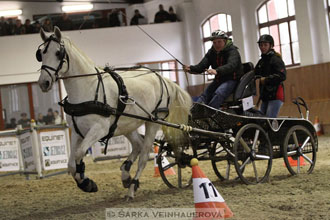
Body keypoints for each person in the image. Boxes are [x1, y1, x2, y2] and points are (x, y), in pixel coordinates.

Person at [183, 30, 243, 109]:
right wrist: (191, 68)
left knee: (219, 93)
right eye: (214, 42)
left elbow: (231, 65)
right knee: (204, 95)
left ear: (225, 41)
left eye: (219, 42)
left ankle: (209, 115)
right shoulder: (211, 52)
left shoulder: (233, 51)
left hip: (232, 80)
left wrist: (217, 71)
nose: (216, 45)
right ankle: (195, 113)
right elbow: (202, 66)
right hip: (218, 80)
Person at [255, 34, 286, 118]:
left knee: (269, 119)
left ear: (271, 46)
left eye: (265, 45)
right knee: (261, 120)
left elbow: (282, 76)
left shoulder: (276, 59)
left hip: (275, 95)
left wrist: (266, 79)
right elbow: (254, 73)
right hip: (265, 96)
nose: (262, 47)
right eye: (261, 45)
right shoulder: (261, 61)